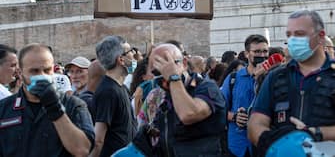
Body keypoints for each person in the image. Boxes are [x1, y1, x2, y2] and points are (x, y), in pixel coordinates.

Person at [248, 10, 335, 156]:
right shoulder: (276, 76)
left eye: (300, 34)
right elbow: (255, 123)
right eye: (289, 35)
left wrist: (314, 134)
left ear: (320, 36)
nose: (293, 40)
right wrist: (278, 143)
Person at [0, 43, 94, 156]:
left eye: (47, 70)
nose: (42, 76)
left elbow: (82, 150)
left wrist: (55, 108)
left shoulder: (73, 105)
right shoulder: (4, 108)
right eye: (34, 71)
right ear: (20, 72)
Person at [134, 43, 227, 156]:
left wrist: (173, 77)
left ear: (184, 63)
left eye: (168, 68)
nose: (164, 75)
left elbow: (188, 114)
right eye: (157, 71)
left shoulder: (206, 88)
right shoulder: (160, 95)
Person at [221, 34, 269, 157]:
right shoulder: (233, 79)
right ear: (247, 54)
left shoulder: (273, 78)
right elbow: (219, 110)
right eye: (257, 51)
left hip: (265, 142)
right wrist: (235, 116)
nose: (262, 55)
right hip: (238, 145)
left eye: (265, 51)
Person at [91, 36, 137, 157]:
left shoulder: (122, 88)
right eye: (130, 51)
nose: (134, 54)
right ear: (121, 60)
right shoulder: (108, 92)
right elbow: (98, 139)